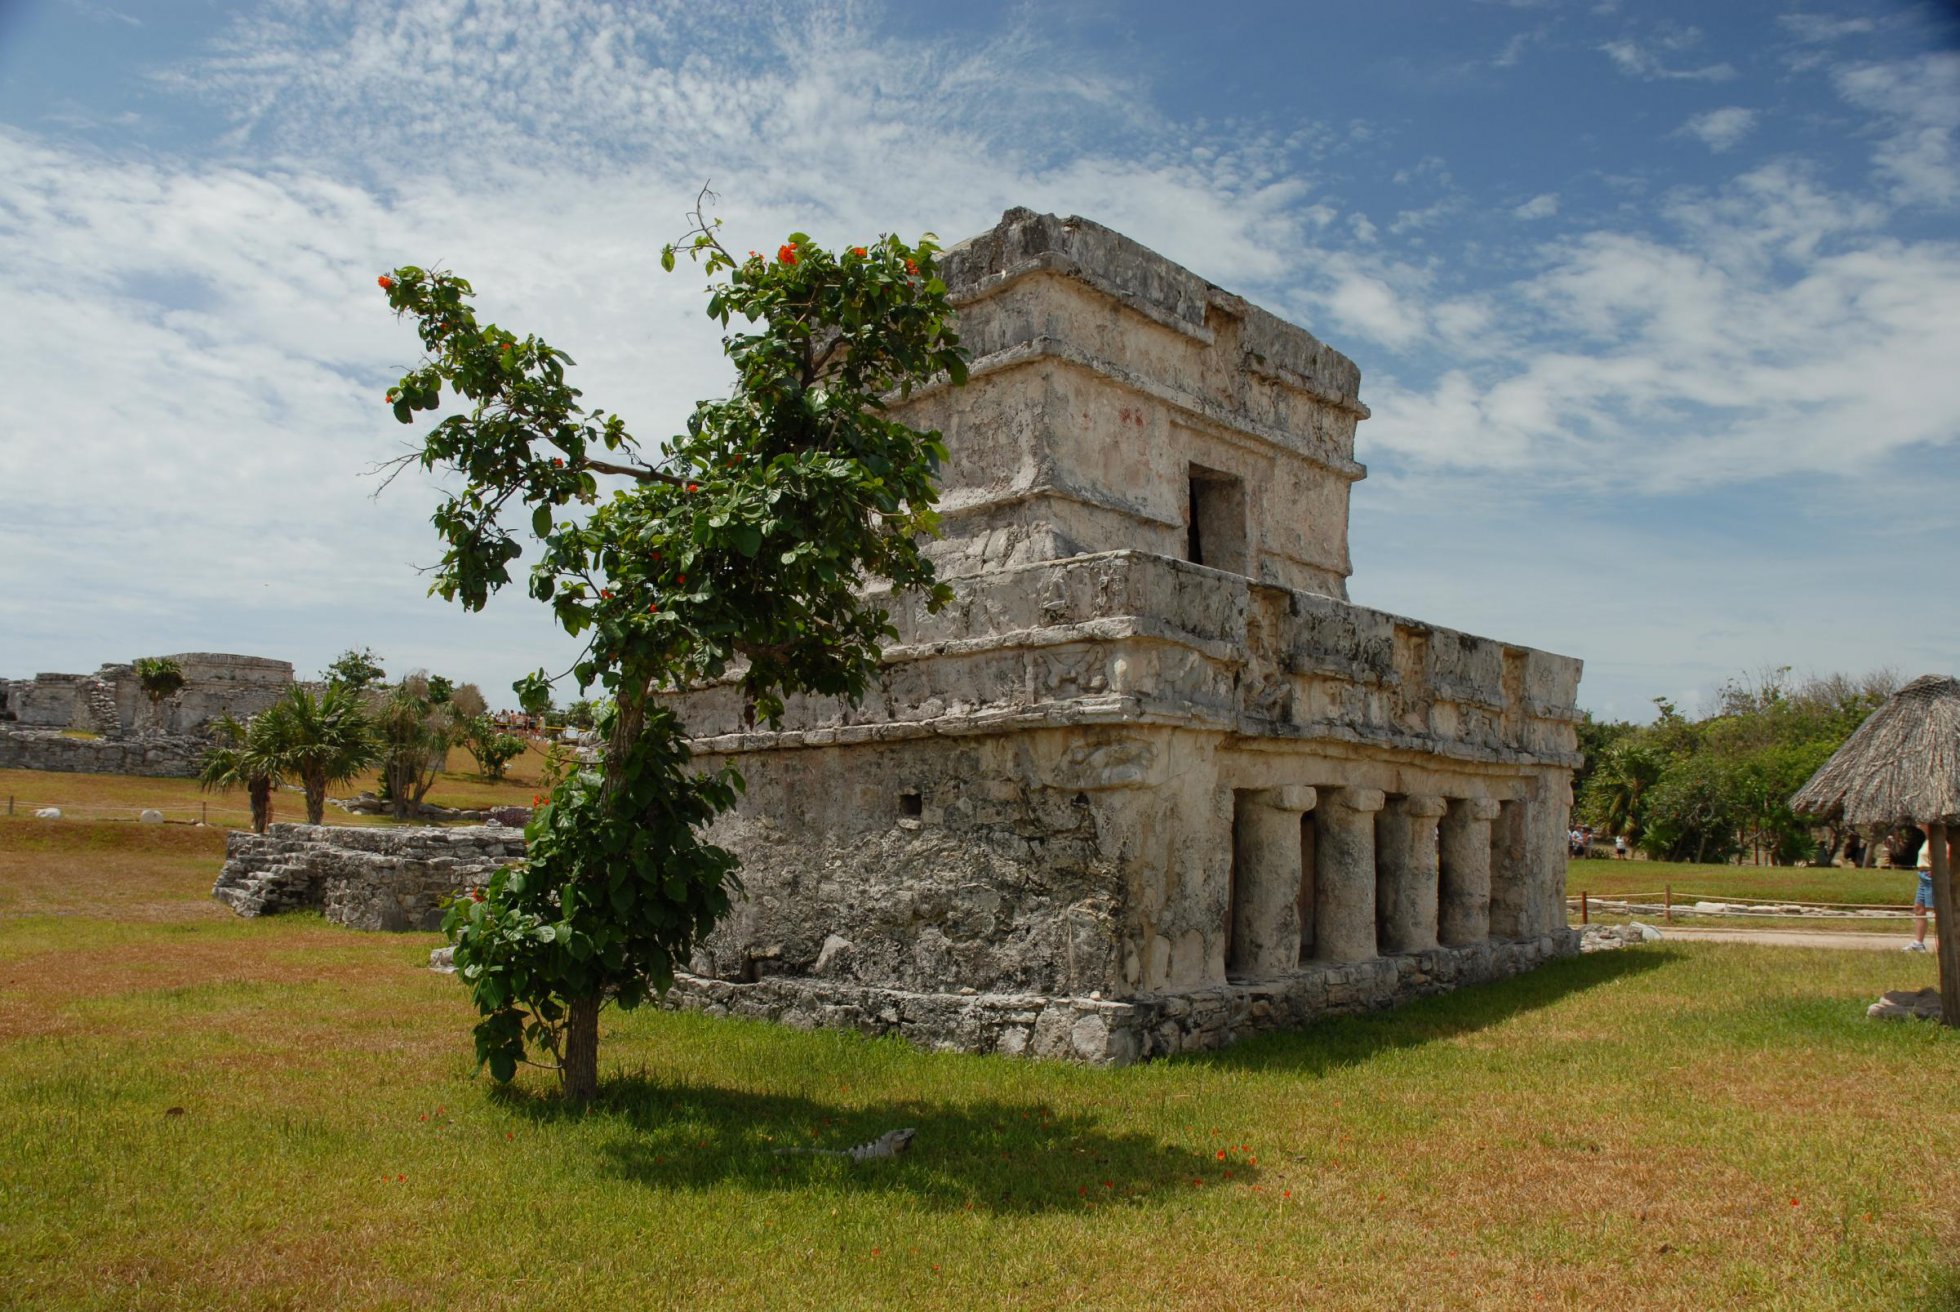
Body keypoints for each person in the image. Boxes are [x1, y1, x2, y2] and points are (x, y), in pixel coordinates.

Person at [1908, 835, 1936, 952]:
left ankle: (1943, 944)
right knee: (1919, 908)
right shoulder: (1928, 839)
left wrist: (1938, 869)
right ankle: (1918, 943)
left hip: (1932, 876)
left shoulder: (1941, 838)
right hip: (1923, 876)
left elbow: (1949, 855)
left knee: (1938, 911)